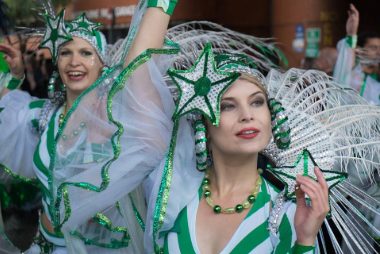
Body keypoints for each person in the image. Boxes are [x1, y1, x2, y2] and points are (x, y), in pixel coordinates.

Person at [0, 0, 177, 252]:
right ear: (57, 62)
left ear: (102, 63)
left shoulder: (118, 123)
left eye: (86, 53)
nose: (74, 61)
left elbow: (139, 69)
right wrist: (16, 74)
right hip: (44, 245)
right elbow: (6, 105)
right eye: (65, 53)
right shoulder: (44, 116)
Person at [333, 3, 380, 105]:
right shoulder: (349, 75)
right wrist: (351, 34)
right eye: (373, 48)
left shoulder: (376, 81)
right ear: (359, 50)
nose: (378, 52)